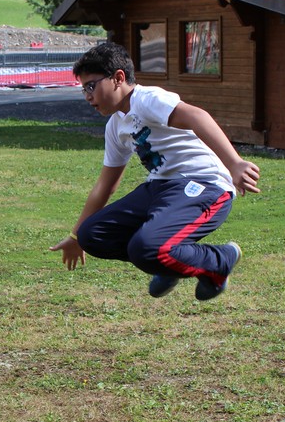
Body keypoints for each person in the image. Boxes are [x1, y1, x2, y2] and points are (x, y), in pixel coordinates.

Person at [50, 42, 261, 300]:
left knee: (147, 247)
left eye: (91, 86)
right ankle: (167, 262)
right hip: (159, 187)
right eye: (83, 89)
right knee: (92, 235)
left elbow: (198, 116)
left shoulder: (147, 99)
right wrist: (74, 236)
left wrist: (234, 163)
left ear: (118, 78)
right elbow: (105, 185)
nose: (87, 96)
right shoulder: (116, 126)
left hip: (203, 184)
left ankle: (220, 260)